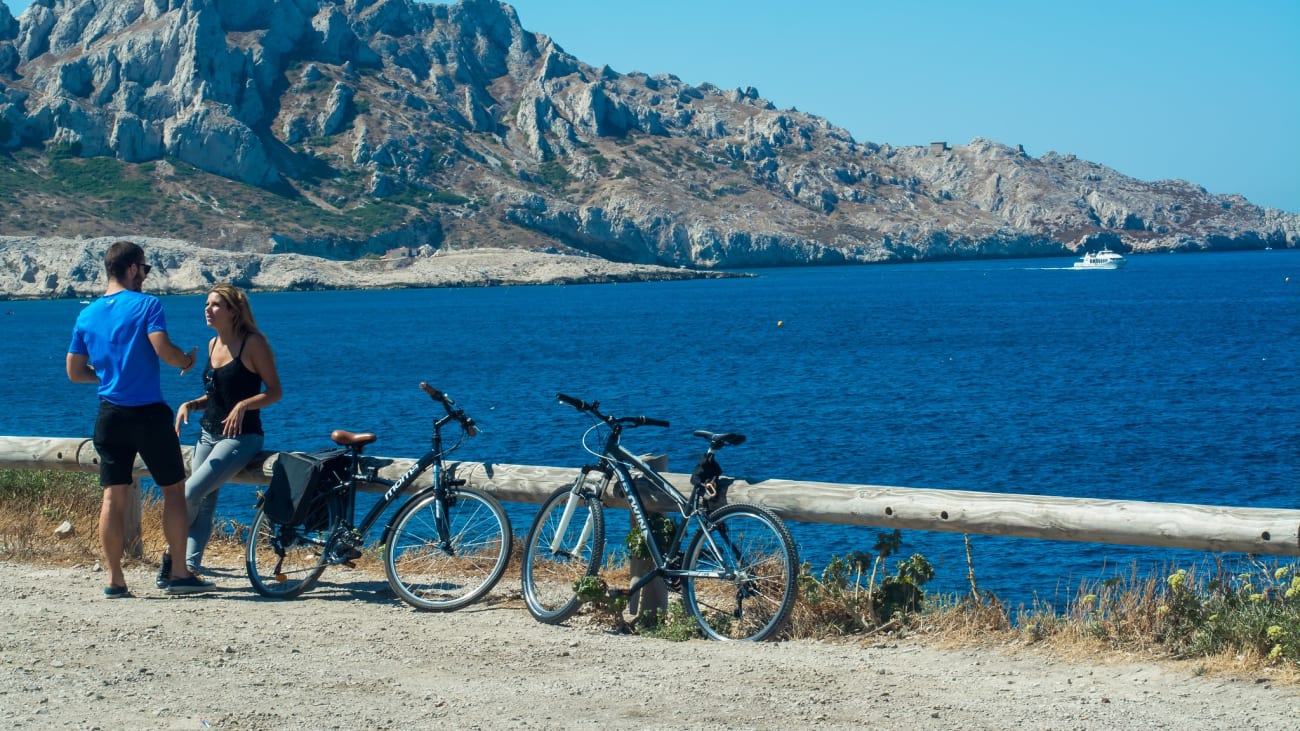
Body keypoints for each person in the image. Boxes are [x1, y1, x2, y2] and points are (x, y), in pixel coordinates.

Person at [66, 240, 210, 596]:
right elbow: (163, 350)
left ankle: (115, 580)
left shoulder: (87, 314)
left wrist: (109, 375)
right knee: (174, 491)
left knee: (113, 497)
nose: (145, 276)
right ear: (132, 268)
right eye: (145, 269)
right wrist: (188, 362)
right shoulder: (147, 304)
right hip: (147, 413)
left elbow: (74, 371)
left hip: (109, 414)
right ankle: (179, 572)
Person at [169, 285, 281, 586]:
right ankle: (188, 570)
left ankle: (172, 561)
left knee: (190, 493)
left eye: (216, 305)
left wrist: (244, 405)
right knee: (203, 502)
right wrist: (191, 404)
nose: (208, 309)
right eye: (206, 304)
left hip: (241, 437)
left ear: (233, 311)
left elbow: (274, 392)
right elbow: (218, 396)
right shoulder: (211, 344)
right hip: (208, 433)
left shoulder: (253, 344)